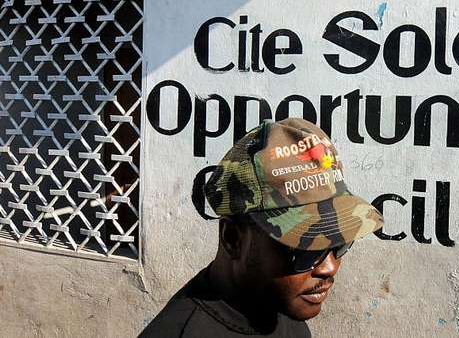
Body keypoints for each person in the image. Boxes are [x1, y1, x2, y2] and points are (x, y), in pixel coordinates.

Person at [141, 118, 384, 337]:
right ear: (232, 239)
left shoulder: (278, 311)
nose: (329, 267)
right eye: (305, 247)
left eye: (339, 243)